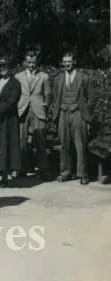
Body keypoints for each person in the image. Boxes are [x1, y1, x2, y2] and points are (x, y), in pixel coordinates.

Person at [53, 52, 93, 185]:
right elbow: (56, 96)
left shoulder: (84, 77)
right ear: (62, 63)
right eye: (65, 62)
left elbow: (91, 97)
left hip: (78, 113)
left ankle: (82, 174)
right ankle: (65, 172)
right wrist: (57, 113)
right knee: (64, 143)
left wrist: (85, 112)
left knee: (80, 144)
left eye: (69, 61)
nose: (67, 64)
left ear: (74, 61)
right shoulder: (59, 78)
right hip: (63, 112)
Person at [15, 50, 52, 180]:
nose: (31, 65)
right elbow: (16, 93)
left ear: (37, 62)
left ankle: (43, 170)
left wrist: (45, 105)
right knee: (22, 142)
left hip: (38, 111)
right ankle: (22, 169)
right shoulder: (18, 76)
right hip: (22, 110)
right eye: (29, 62)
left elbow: (48, 93)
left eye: (34, 62)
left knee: (40, 142)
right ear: (25, 62)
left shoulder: (44, 76)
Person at [0, 55, 22, 187]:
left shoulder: (15, 84)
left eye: (5, 66)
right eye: (1, 66)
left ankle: (5, 177)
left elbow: (11, 103)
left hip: (7, 120)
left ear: (10, 67)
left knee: (5, 146)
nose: (3, 68)